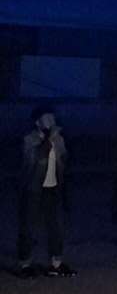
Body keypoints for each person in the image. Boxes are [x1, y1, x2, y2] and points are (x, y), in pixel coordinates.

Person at [17, 107, 75, 278]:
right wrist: (50, 138)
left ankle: (55, 264)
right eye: (47, 117)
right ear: (37, 121)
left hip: (53, 189)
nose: (51, 119)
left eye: (52, 116)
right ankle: (25, 264)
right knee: (28, 228)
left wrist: (58, 141)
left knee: (56, 227)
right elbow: (33, 159)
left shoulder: (58, 139)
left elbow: (63, 161)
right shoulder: (29, 139)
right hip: (33, 190)